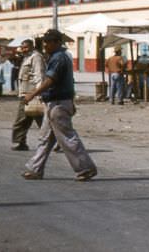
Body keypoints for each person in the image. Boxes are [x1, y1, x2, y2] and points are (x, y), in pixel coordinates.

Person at [22, 29, 97, 181]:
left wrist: (33, 94)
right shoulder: (58, 57)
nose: (45, 46)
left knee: (67, 137)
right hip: (54, 103)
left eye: (48, 42)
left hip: (58, 104)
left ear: (56, 42)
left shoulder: (59, 58)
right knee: (45, 139)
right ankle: (35, 168)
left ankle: (85, 168)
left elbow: (50, 81)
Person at [11, 39, 45, 151]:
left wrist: (38, 94)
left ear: (32, 47)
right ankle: (19, 142)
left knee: (41, 120)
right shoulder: (26, 58)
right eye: (22, 47)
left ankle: (55, 142)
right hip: (25, 94)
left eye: (26, 47)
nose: (24, 49)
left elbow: (39, 75)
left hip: (32, 94)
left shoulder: (36, 57)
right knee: (23, 120)